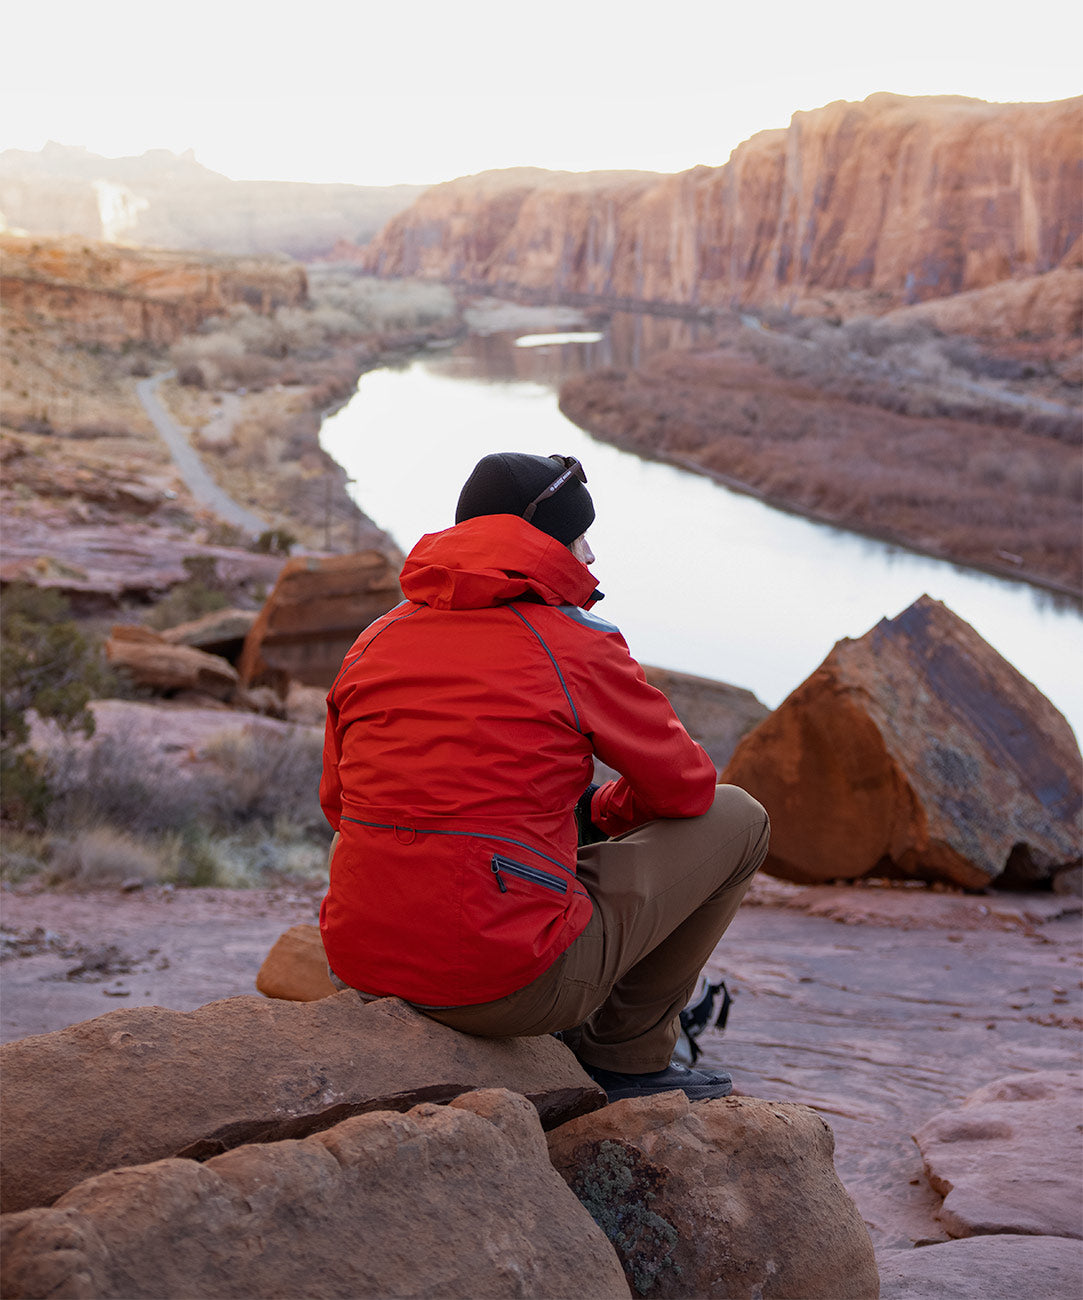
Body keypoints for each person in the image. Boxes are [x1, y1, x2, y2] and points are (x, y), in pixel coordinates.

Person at [319, 451, 769, 1101]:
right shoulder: (573, 641)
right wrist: (603, 810)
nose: (588, 557)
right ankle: (627, 1058)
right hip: (503, 986)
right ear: (545, 542)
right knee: (738, 817)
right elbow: (684, 788)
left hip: (359, 968)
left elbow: (339, 806)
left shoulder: (374, 641)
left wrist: (570, 812)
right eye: (580, 536)